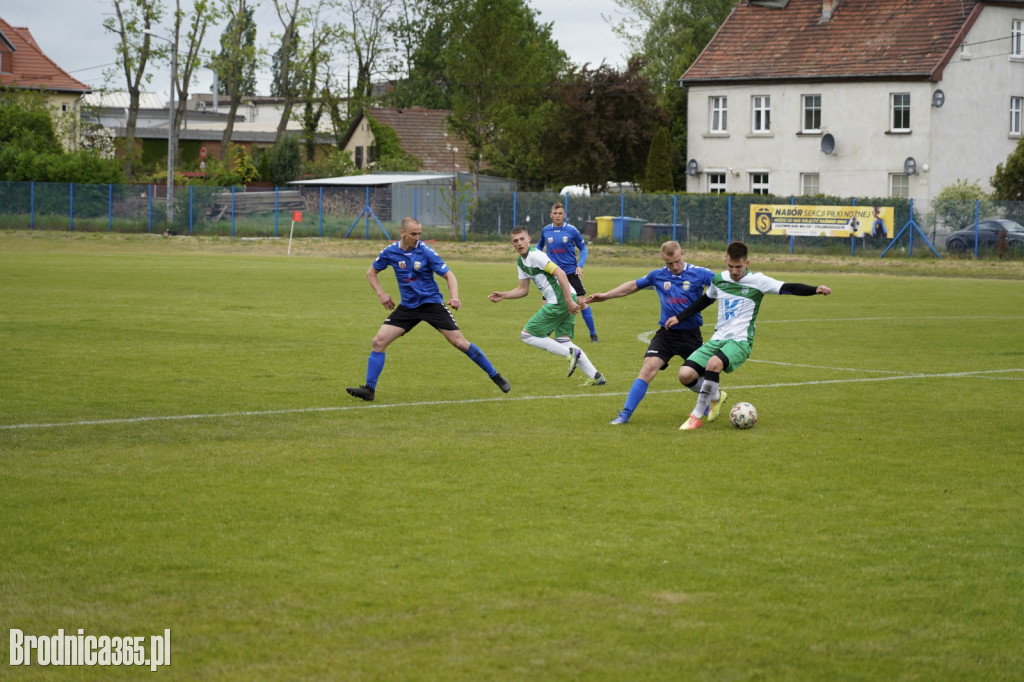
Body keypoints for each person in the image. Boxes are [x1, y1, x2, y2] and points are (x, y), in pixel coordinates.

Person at [346, 217, 510, 401]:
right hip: (408, 307)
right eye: (413, 234)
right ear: (402, 233)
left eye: (419, 234)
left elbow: (449, 275)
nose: (417, 237)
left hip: (432, 305)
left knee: (460, 343)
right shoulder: (390, 252)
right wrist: (381, 294)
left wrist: (454, 297)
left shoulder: (426, 252)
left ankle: (495, 375)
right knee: (378, 341)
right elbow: (371, 272)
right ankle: (369, 390)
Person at [674, 241, 832, 431]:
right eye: (730, 266)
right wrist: (679, 317)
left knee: (713, 365)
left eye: (739, 267)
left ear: (747, 263)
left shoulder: (758, 281)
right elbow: (705, 300)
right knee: (685, 375)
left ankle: (696, 417)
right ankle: (716, 396)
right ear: (725, 261)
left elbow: (788, 287)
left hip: (740, 341)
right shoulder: (719, 279)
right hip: (718, 338)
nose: (734, 271)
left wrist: (815, 289)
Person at [585, 241, 716, 425]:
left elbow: (722, 284)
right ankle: (625, 414)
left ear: (683, 254)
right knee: (647, 368)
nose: (674, 266)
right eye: (669, 263)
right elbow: (633, 286)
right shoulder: (658, 275)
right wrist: (606, 295)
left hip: (691, 335)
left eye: (677, 261)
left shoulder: (699, 273)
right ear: (663, 260)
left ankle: (711, 400)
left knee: (694, 376)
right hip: (667, 334)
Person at [488, 226, 605, 385]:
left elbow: (560, 273)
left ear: (529, 239)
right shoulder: (521, 262)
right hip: (565, 298)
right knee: (564, 341)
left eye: (522, 239)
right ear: (512, 244)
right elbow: (523, 290)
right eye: (516, 241)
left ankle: (571, 354)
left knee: (527, 335)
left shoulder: (537, 255)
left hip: (560, 300)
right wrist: (503, 295)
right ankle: (596, 377)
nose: (520, 243)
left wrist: (569, 301)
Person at [537, 202, 599, 342]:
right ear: (551, 215)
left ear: (564, 215)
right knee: (547, 304)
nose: (558, 216)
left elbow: (583, 249)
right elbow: (539, 246)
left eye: (560, 213)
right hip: (552, 273)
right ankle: (546, 331)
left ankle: (593, 333)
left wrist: (580, 265)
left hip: (570, 272)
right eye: (555, 213)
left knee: (581, 301)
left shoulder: (572, 230)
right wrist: (536, 259)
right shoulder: (546, 231)